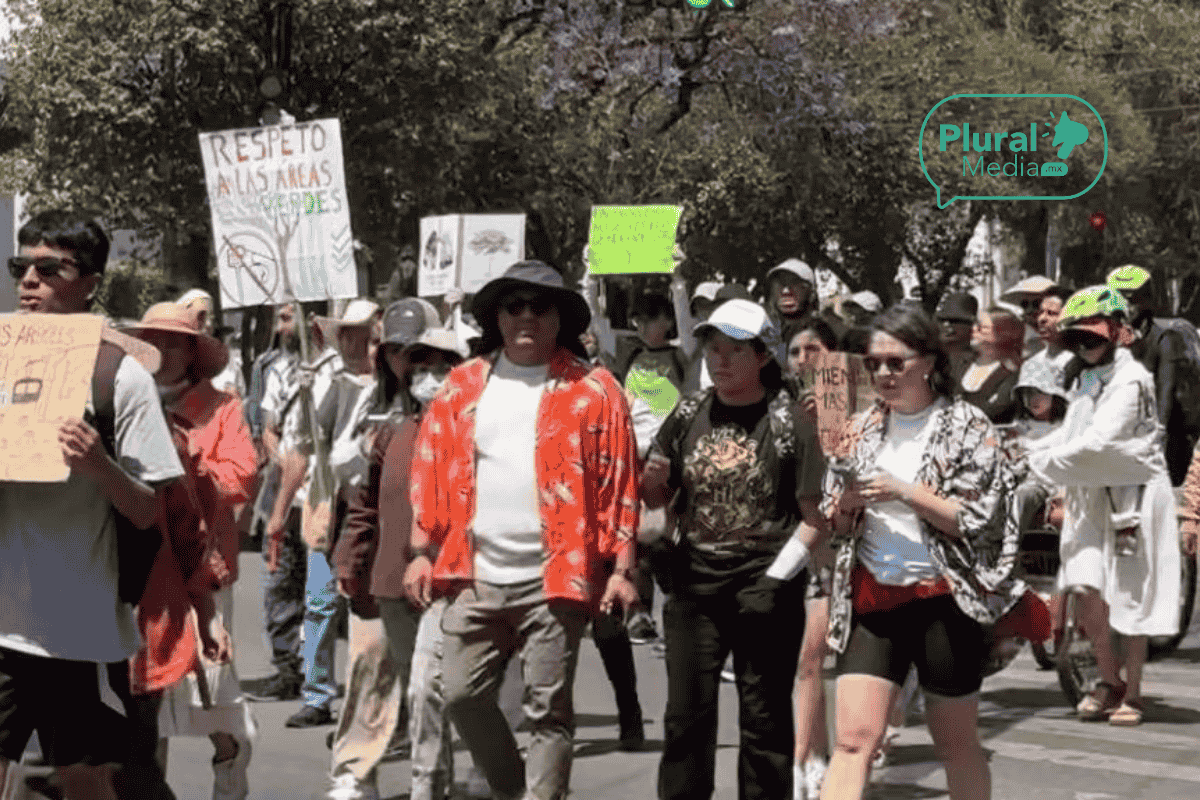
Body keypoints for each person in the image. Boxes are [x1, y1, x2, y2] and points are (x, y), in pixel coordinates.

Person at [403, 260, 642, 800]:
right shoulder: (462, 386)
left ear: (561, 318)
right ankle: (517, 791)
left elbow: (619, 484)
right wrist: (421, 551)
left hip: (557, 578)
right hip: (473, 574)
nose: (528, 316)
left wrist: (622, 569)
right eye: (515, 306)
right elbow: (431, 470)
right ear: (497, 318)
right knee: (461, 695)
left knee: (548, 712)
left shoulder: (596, 389)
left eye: (541, 306)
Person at [0, 212, 185, 800]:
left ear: (90, 281)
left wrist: (100, 466)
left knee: (86, 782)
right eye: (19, 267)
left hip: (78, 633)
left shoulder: (120, 377)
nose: (29, 281)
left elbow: (147, 511)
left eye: (48, 269)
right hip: (3, 623)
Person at [819, 303, 1025, 800]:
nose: (884, 374)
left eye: (896, 362)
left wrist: (903, 490)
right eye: (874, 364)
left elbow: (976, 521)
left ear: (930, 361)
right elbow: (833, 516)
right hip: (874, 597)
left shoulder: (968, 426)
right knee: (852, 743)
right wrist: (845, 505)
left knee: (955, 744)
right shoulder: (861, 427)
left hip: (944, 600)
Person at [642, 298, 828, 800]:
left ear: (763, 356)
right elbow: (659, 500)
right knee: (685, 718)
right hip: (695, 586)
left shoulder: (791, 422)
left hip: (766, 587)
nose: (718, 361)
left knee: (765, 720)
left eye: (733, 350)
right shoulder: (686, 414)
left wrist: (774, 580)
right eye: (712, 348)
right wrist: (653, 485)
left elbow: (817, 518)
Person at [1026, 286, 1181, 726]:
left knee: (1130, 593)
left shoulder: (1133, 380)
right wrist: (1026, 449)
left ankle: (1132, 691)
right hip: (1090, 492)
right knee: (1084, 584)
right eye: (1077, 336)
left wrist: (1041, 463)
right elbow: (1073, 431)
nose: (1085, 344)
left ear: (1117, 331)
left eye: (1093, 334)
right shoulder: (1088, 378)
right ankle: (1107, 678)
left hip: (1132, 495)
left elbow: (1100, 441)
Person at [124, 301, 259, 800]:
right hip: (142, 573)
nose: (162, 350)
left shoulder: (221, 408)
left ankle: (229, 779)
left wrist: (187, 470)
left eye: (174, 341)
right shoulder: (125, 399)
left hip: (205, 567)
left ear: (192, 351)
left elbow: (241, 474)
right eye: (153, 340)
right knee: (146, 700)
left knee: (217, 697)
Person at [325, 298, 449, 800]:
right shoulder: (369, 406)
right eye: (396, 350)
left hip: (445, 573)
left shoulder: (460, 413)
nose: (409, 365)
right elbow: (359, 495)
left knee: (435, 689)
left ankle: (456, 776)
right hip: (380, 566)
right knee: (371, 667)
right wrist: (348, 558)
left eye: (418, 353)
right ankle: (357, 771)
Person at [266, 299, 382, 729]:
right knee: (319, 603)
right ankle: (317, 695)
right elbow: (298, 451)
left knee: (371, 609)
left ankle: (370, 699)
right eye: (352, 333)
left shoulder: (396, 386)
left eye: (369, 334)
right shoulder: (320, 385)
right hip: (329, 506)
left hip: (380, 509)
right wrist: (278, 516)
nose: (361, 343)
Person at [780, 316, 843, 800]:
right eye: (796, 350)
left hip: (847, 546)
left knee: (819, 660)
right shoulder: (779, 410)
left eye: (814, 348)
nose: (804, 359)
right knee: (809, 661)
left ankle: (813, 756)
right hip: (801, 548)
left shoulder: (857, 408)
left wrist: (829, 420)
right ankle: (809, 756)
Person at [1107, 265, 1196, 485]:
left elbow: (1165, 391)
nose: (1124, 307)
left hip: (1157, 434)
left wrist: (1156, 436)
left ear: (1146, 301)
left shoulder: (1164, 340)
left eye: (1131, 300)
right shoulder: (1108, 339)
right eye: (1117, 300)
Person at [956, 305, 1023, 424]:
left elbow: (994, 412)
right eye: (975, 324)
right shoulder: (959, 363)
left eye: (982, 327)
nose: (974, 329)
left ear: (1001, 334)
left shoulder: (1012, 373)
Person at [1016, 286, 1073, 395]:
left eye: (1051, 313)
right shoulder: (1030, 365)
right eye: (1041, 312)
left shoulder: (1080, 363)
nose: (1042, 319)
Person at [1000, 276, 1061, 359]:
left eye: (1037, 304)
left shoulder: (1057, 332)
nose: (1030, 309)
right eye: (1025, 304)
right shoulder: (1016, 332)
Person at [935, 292, 978, 389]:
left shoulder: (980, 364)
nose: (947, 326)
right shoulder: (929, 359)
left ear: (971, 325)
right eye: (942, 320)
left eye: (955, 321)